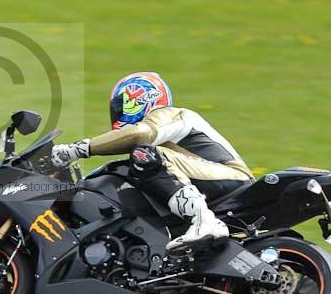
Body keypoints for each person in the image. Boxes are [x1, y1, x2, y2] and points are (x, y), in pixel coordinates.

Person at [50, 72, 253, 251]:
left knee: (144, 155)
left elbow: (140, 134)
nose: (120, 111)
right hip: (205, 179)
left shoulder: (169, 115)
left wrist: (75, 150)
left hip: (231, 176)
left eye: (126, 104)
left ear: (144, 98)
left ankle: (204, 221)